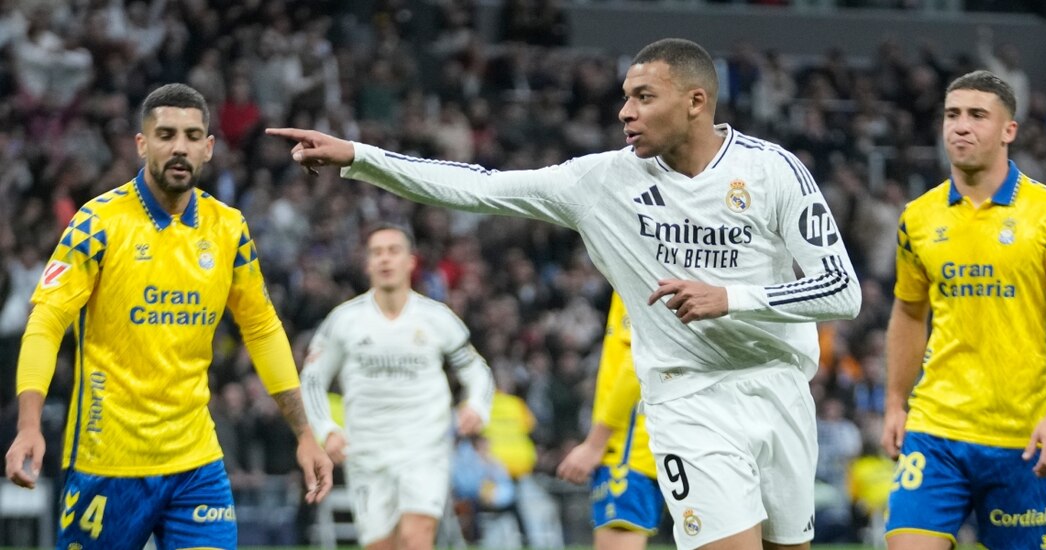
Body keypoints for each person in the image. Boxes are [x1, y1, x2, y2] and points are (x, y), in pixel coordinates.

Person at [270, 37, 862, 550]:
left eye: (644, 98)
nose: (625, 112)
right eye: (625, 97)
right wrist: (362, 157)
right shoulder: (600, 181)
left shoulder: (772, 172)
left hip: (781, 389)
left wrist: (730, 297)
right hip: (689, 398)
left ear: (696, 102)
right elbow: (482, 187)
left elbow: (842, 292)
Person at [3, 83, 333, 549]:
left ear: (209, 148)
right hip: (107, 462)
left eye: (192, 135)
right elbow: (45, 321)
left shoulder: (229, 230)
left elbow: (262, 329)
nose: (179, 146)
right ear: (142, 144)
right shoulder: (97, 223)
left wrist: (305, 433)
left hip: (195, 462)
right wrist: (29, 425)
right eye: (166, 134)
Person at [881, 70, 1046, 550]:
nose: (961, 126)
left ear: (1008, 130)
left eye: (978, 115)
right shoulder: (917, 217)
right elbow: (908, 313)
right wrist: (896, 402)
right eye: (952, 114)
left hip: (1021, 439)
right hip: (935, 432)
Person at [300, 223, 494, 550]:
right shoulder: (345, 320)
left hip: (425, 447)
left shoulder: (437, 318)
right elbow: (313, 378)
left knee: (416, 539)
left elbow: (477, 369)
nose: (385, 259)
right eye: (377, 253)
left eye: (393, 251)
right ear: (367, 264)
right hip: (366, 449)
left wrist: (477, 404)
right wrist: (326, 429)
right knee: (381, 546)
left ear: (411, 261)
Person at [558, 290, 664, 550]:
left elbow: (636, 362)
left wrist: (595, 443)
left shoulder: (636, 273)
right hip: (666, 437)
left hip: (630, 450)